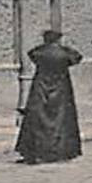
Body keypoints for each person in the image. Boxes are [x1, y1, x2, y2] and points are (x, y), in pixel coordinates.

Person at [16, 29, 83, 164]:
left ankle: (37, 151)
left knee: (38, 118)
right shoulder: (64, 53)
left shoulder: (38, 52)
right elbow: (77, 57)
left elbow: (32, 54)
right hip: (61, 89)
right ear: (58, 40)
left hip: (41, 87)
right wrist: (62, 47)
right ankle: (61, 151)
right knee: (62, 120)